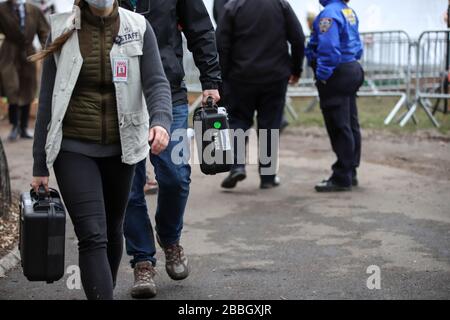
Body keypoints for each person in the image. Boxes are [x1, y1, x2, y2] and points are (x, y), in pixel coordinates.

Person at [30, 0, 172, 299]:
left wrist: (161, 121)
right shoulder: (61, 27)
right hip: (73, 147)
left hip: (122, 147)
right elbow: (47, 100)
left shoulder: (138, 27)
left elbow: (157, 83)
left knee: (111, 228)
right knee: (92, 234)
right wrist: (39, 165)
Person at [119, 0, 221, 299]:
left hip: (168, 90)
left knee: (176, 176)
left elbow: (201, 29)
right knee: (129, 185)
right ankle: (142, 261)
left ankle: (169, 237)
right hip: (119, 96)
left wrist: (211, 79)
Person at [217, 0, 305, 190]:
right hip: (275, 77)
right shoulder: (280, 4)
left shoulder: (233, 6)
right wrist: (296, 69)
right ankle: (267, 177)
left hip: (241, 77)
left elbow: (222, 44)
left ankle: (237, 166)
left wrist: (223, 77)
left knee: (238, 121)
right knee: (270, 126)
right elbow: (298, 38)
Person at [306, 0, 364, 192]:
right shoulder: (347, 11)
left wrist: (323, 76)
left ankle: (342, 176)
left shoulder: (329, 14)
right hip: (352, 67)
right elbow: (357, 45)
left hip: (336, 73)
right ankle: (350, 170)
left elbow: (329, 49)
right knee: (350, 122)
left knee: (338, 125)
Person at [0, 0, 49, 141]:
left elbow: (44, 32)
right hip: (9, 53)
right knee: (12, 88)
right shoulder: (2, 9)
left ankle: (24, 127)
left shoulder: (34, 10)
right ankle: (14, 126)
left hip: (29, 54)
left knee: (28, 89)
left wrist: (47, 52)